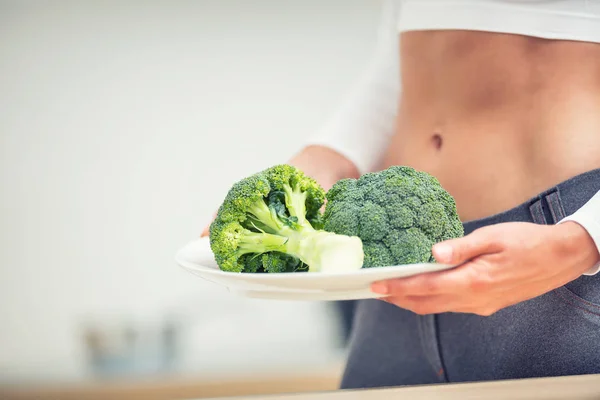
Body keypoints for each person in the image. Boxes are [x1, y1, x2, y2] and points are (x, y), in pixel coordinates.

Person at [202, 0, 600, 389]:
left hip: (550, 258)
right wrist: (324, 156)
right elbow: (399, 65)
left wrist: (580, 240)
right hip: (392, 262)